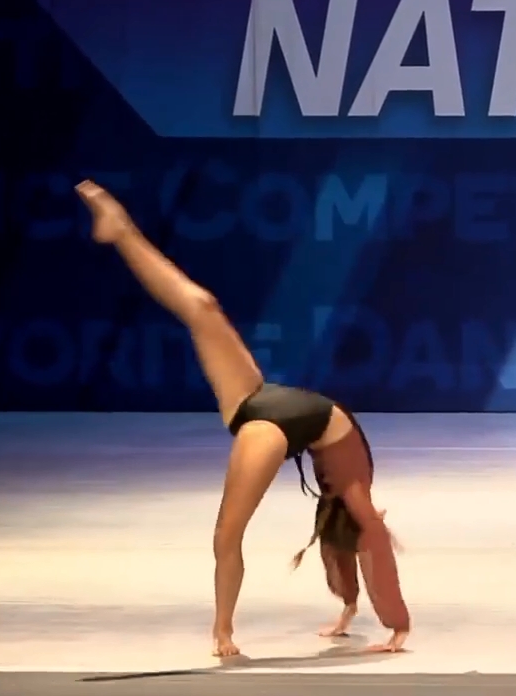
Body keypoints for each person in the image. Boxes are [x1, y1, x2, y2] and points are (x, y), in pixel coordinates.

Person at [74, 181, 410, 656]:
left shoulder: (348, 492)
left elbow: (364, 542)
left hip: (268, 422)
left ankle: (223, 631)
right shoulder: (350, 491)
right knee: (202, 306)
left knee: (227, 533)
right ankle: (121, 229)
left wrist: (397, 626)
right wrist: (360, 613)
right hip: (260, 397)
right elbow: (361, 542)